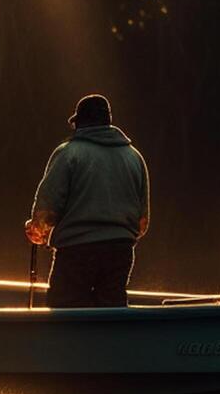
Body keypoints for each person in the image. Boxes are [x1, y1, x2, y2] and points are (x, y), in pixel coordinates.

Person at [25, 94, 150, 308]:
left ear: (80, 123)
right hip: (120, 251)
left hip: (76, 252)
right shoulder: (134, 157)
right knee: (110, 313)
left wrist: (37, 229)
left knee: (64, 312)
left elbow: (48, 206)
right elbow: (142, 222)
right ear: (108, 122)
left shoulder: (68, 153)